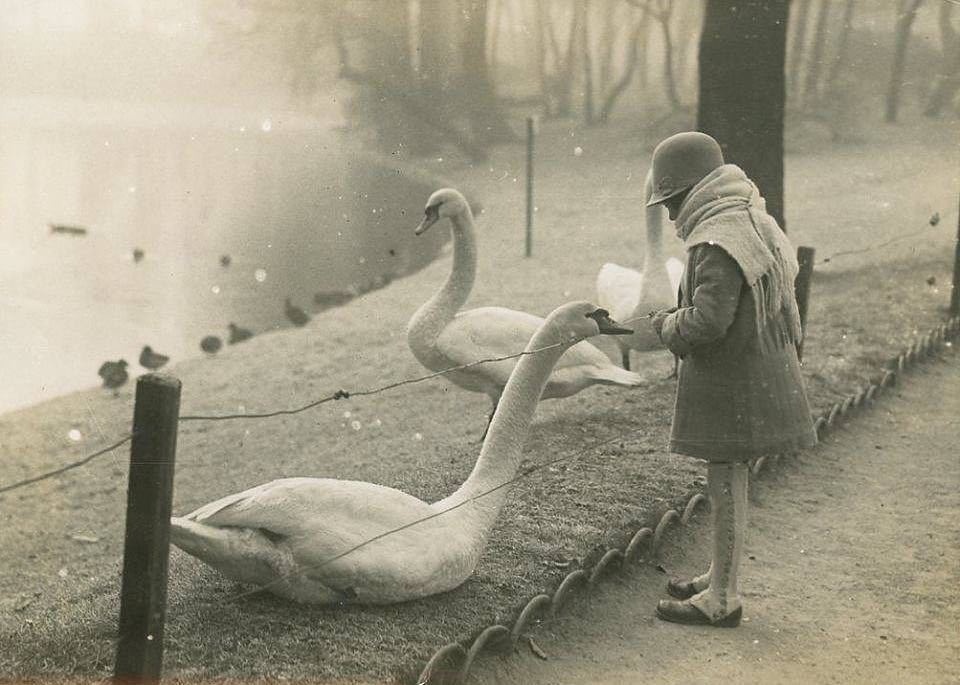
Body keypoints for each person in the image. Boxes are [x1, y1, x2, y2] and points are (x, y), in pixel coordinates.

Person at [647, 131, 818, 627]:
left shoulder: (717, 239)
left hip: (732, 384)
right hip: (752, 373)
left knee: (724, 482)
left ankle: (721, 599)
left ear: (691, 189)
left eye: (672, 199)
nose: (671, 213)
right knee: (730, 482)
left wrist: (664, 324)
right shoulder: (749, 216)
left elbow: (708, 321)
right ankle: (720, 577)